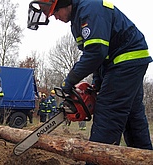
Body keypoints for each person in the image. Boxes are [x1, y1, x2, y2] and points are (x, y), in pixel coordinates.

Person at [27, 0, 153, 156]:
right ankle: (145, 156)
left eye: (55, 12)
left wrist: (69, 81)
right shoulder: (77, 20)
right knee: (133, 116)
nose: (56, 18)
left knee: (108, 113)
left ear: (63, 3)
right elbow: (98, 56)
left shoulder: (90, 9)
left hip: (125, 60)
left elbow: (95, 53)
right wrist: (97, 83)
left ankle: (95, 159)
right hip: (120, 63)